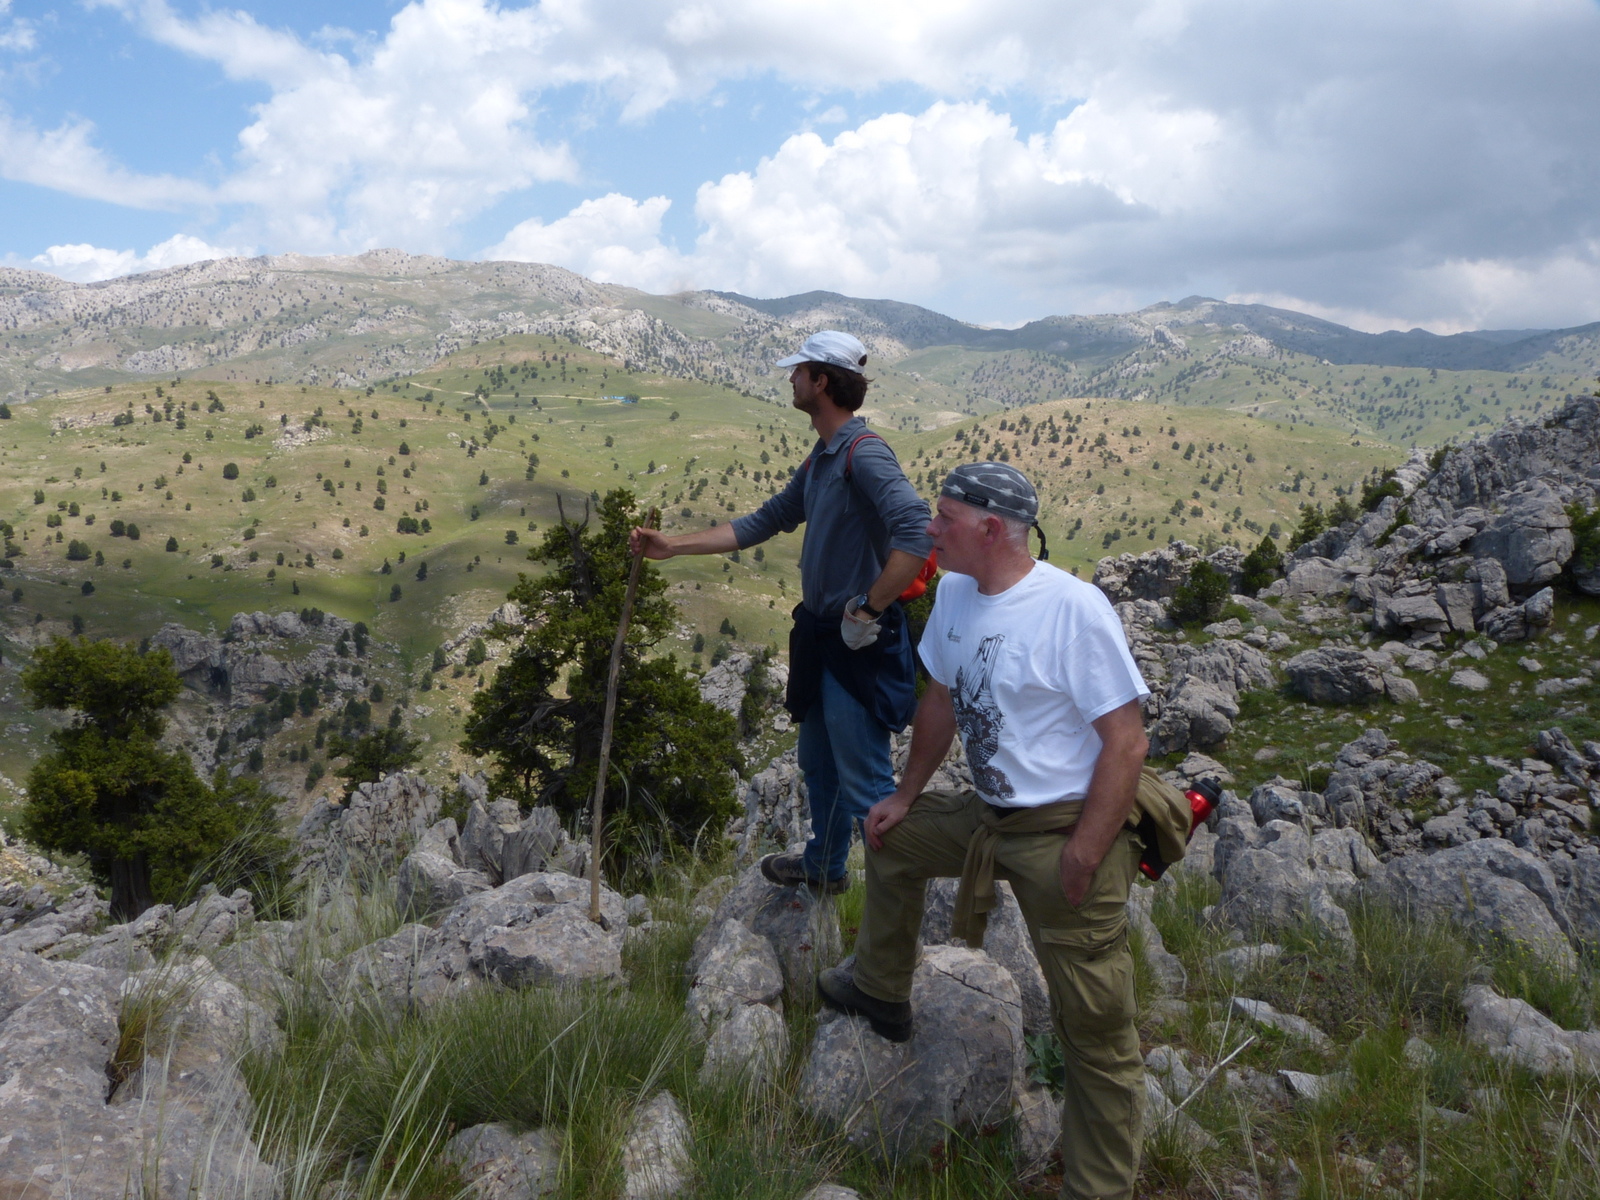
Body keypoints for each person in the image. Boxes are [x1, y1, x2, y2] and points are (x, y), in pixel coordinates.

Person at [817, 461, 1152, 1200]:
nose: (929, 530)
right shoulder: (958, 592)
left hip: (1065, 824)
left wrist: (1087, 853)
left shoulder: (1073, 608)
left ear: (991, 529)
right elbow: (941, 696)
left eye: (944, 519)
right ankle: (880, 988)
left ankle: (1098, 1187)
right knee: (890, 840)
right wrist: (907, 795)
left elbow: (1126, 741)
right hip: (991, 814)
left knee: (1094, 1026)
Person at [630, 330, 931, 892]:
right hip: (823, 636)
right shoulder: (823, 457)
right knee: (819, 766)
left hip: (854, 640)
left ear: (821, 381)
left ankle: (899, 925)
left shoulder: (864, 455)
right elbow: (764, 521)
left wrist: (869, 609)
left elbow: (916, 528)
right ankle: (824, 870)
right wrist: (673, 546)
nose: (790, 378)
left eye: (799, 371)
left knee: (867, 784)